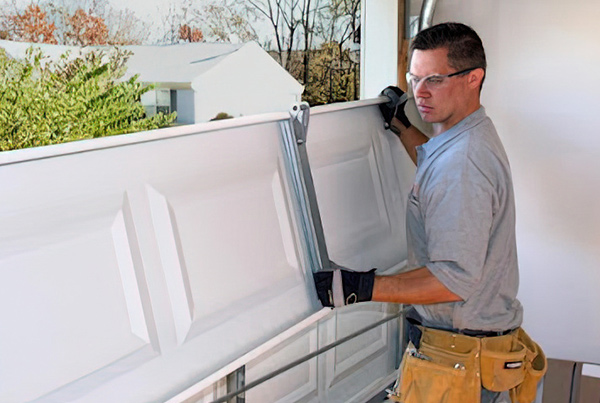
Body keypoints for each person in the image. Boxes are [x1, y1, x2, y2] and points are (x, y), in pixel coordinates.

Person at [313, 22, 546, 402]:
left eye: (434, 80)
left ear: (474, 78)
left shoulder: (464, 163)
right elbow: (434, 161)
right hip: (473, 352)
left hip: (463, 363)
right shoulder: (468, 135)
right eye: (414, 78)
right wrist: (402, 127)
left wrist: (360, 288)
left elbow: (453, 280)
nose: (419, 92)